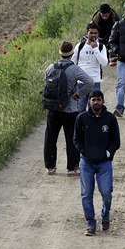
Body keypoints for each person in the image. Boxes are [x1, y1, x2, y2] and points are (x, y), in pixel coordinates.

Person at [74, 90, 121, 236]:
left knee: (106, 193)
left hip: (104, 164)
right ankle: (90, 224)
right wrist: (84, 151)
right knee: (86, 194)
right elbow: (76, 140)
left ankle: (105, 216)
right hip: (86, 163)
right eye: (93, 99)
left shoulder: (110, 119)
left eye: (98, 99)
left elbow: (116, 141)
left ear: (103, 101)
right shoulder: (81, 118)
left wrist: (108, 153)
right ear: (89, 101)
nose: (96, 102)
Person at [44, 41, 94, 175]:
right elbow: (90, 82)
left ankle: (50, 166)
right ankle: (72, 168)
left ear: (60, 53)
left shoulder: (50, 68)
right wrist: (78, 94)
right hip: (70, 109)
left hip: (53, 108)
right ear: (72, 54)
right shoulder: (75, 69)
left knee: (50, 137)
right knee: (71, 138)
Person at [71, 22, 109, 113]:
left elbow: (104, 63)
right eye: (91, 33)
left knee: (94, 108)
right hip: (81, 82)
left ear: (98, 34)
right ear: (87, 33)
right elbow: (73, 62)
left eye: (95, 33)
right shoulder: (80, 46)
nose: (93, 35)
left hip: (95, 82)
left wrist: (95, 49)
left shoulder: (101, 47)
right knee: (80, 108)